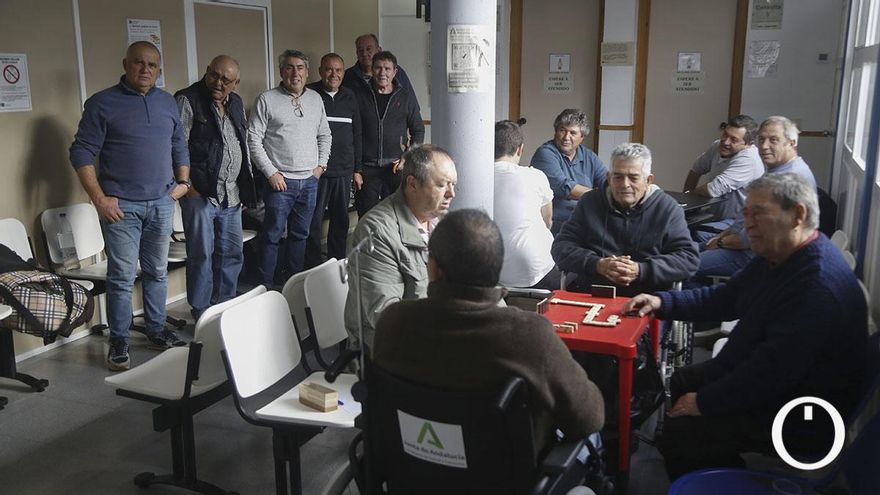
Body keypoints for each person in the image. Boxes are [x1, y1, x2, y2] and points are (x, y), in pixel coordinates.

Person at [624, 173, 869, 481]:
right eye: (746, 212)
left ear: (798, 215)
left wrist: (704, 403)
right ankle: (710, 466)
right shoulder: (779, 255)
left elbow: (769, 374)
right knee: (685, 379)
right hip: (778, 384)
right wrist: (663, 303)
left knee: (685, 430)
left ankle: (715, 476)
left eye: (759, 213)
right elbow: (725, 297)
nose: (747, 223)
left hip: (803, 417)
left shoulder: (816, 286)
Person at [373, 209, 604, 456]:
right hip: (507, 480)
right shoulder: (530, 336)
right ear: (497, 268)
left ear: (435, 269)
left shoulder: (393, 323)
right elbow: (588, 418)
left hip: (412, 474)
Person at [69, 41, 190, 371]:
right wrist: (99, 199)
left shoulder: (167, 102)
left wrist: (183, 182)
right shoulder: (102, 103)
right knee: (122, 277)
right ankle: (119, 340)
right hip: (122, 208)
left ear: (159, 70)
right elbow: (80, 153)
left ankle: (155, 330)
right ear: (126, 64)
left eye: (152, 65)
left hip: (162, 203)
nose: (145, 70)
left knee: (156, 272)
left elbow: (178, 143)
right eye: (139, 63)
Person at [344, 144, 456, 350]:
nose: (451, 194)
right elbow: (388, 319)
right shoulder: (376, 232)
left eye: (453, 185)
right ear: (412, 184)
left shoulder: (440, 220)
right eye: (442, 185)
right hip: (389, 349)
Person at [552, 142, 699, 296]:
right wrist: (597, 264)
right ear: (609, 178)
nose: (625, 184)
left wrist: (641, 270)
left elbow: (688, 259)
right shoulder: (589, 202)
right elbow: (561, 247)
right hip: (593, 294)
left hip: (650, 298)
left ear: (648, 180)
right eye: (618, 177)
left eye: (633, 177)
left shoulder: (667, 208)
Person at [175, 55, 256, 322]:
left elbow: (240, 144)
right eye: (214, 75)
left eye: (226, 79)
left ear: (236, 83)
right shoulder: (188, 100)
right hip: (200, 194)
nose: (218, 83)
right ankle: (201, 312)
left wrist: (244, 186)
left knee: (232, 253)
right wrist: (188, 187)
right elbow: (176, 146)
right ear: (207, 72)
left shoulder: (235, 103)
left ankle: (225, 306)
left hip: (231, 195)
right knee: (202, 255)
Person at [696, 116, 817, 279]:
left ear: (791, 143)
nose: (765, 146)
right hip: (743, 242)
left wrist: (719, 243)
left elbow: (750, 239)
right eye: (762, 139)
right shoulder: (776, 168)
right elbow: (744, 220)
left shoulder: (789, 178)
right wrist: (722, 236)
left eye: (773, 140)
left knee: (686, 265)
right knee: (687, 251)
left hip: (753, 255)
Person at [248, 49, 331, 287]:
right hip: (280, 183)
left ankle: (292, 285)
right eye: (290, 67)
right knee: (272, 236)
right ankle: (265, 287)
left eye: (300, 68)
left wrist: (320, 166)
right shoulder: (267, 99)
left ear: (307, 72)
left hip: (310, 182)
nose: (295, 73)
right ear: (281, 71)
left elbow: (325, 134)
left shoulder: (315, 99)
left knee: (300, 236)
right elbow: (253, 139)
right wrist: (271, 173)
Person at [304, 53, 362, 268]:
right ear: (320, 71)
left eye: (338, 70)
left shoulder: (350, 97)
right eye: (329, 69)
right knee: (314, 220)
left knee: (341, 219)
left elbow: (357, 134)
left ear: (343, 73)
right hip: (317, 170)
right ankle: (312, 265)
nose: (333, 74)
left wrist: (357, 169)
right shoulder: (310, 94)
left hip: (344, 169)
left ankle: (337, 262)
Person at [353, 50, 425, 217]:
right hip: (367, 167)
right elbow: (354, 133)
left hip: (396, 167)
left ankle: (397, 244)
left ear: (395, 72)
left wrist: (408, 156)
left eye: (387, 68)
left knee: (402, 213)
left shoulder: (405, 97)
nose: (382, 73)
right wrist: (356, 168)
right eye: (378, 68)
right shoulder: (359, 95)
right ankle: (370, 244)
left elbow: (418, 129)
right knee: (367, 216)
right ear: (372, 69)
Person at [492, 120, 559, 289]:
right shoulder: (535, 176)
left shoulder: (476, 178)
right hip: (537, 269)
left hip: (491, 272)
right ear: (520, 149)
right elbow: (548, 221)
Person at [682, 115, 764, 239]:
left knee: (696, 234)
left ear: (748, 144)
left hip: (738, 222)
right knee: (676, 225)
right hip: (715, 214)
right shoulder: (716, 146)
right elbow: (695, 170)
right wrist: (685, 203)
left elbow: (712, 190)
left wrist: (691, 196)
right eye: (725, 135)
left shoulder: (749, 159)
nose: (725, 142)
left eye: (733, 140)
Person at [530, 109, 608, 234]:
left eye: (573, 133)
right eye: (562, 130)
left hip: (585, 220)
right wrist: (602, 196)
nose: (566, 137)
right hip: (555, 223)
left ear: (582, 137)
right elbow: (566, 188)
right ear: (556, 132)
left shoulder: (589, 156)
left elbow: (608, 183)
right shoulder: (545, 154)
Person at [342, 33, 417, 101]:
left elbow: (411, 103)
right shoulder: (347, 76)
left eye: (369, 49)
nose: (364, 54)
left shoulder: (397, 72)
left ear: (379, 50)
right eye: (360, 50)